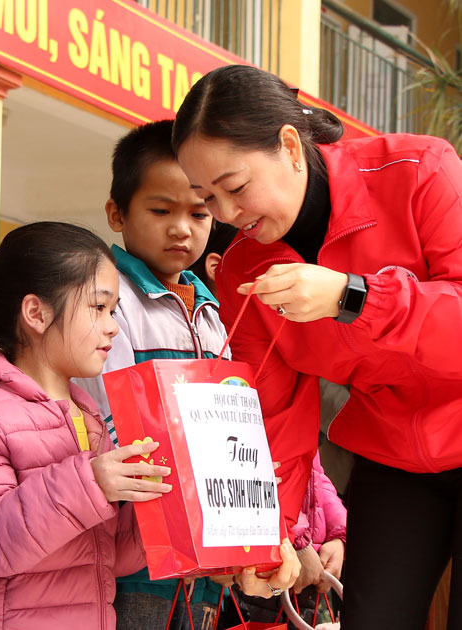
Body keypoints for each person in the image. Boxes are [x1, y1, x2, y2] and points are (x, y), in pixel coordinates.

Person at [173, 63, 462, 629]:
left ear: (288, 146)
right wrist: (268, 537)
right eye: (208, 198)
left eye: (235, 187)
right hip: (394, 455)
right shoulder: (244, 272)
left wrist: (354, 298)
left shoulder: (420, 170)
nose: (228, 215)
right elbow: (273, 418)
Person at [0, 221, 171, 629]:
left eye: (113, 311)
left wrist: (157, 496)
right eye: (98, 308)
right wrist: (91, 484)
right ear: (36, 313)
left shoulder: (88, 418)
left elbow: (108, 557)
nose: (113, 325)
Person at [74, 120, 229, 630]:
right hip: (139, 550)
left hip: (204, 554)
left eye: (198, 212)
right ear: (117, 213)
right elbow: (110, 412)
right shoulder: (108, 297)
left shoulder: (210, 309)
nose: (182, 227)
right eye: (161, 210)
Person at [192, 224, 348, 629]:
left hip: (290, 549)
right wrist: (296, 541)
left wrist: (337, 534)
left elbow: (313, 469)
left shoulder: (286, 354)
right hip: (268, 547)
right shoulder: (237, 350)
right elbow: (262, 458)